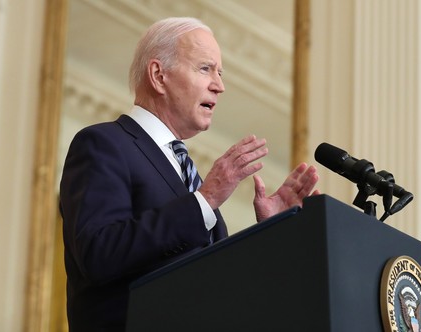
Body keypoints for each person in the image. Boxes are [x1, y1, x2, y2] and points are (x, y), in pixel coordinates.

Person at [59, 16, 319, 331]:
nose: (220, 86)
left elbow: (220, 288)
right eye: (205, 68)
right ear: (158, 75)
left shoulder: (187, 172)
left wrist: (272, 233)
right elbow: (98, 253)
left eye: (219, 73)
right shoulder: (104, 143)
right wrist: (205, 199)